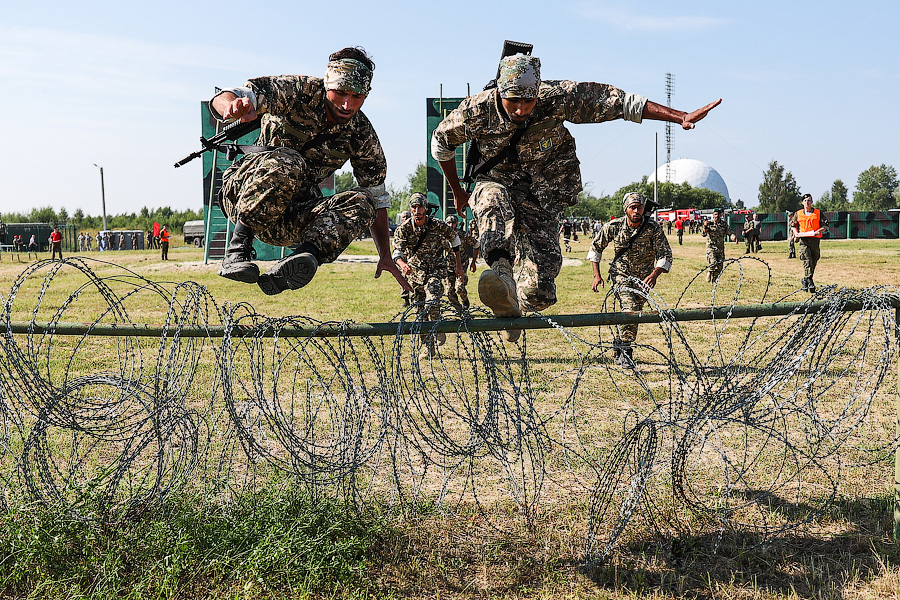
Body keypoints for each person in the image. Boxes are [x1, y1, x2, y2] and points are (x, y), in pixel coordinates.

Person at [431, 53, 718, 342]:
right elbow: (441, 144)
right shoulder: (477, 110)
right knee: (493, 201)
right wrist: (458, 190)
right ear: (500, 92)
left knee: (541, 291)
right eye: (512, 100)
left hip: (541, 191)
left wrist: (680, 116)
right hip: (496, 180)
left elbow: (617, 102)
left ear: (537, 93)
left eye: (527, 101)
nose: (520, 110)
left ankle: (514, 304)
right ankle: (502, 273)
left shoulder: (556, 97)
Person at [211, 46, 408, 297]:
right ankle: (236, 250)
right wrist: (232, 105)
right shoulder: (299, 91)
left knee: (363, 201)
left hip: (290, 217)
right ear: (328, 85)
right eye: (340, 93)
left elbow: (378, 199)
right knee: (291, 161)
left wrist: (386, 256)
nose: (347, 104)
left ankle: (300, 260)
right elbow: (231, 94)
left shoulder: (361, 134)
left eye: (356, 96)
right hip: (245, 196)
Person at [587, 192, 672, 367]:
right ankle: (626, 351)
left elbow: (665, 254)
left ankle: (619, 344)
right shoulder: (614, 226)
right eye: (632, 207)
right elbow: (596, 248)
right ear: (626, 209)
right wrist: (597, 275)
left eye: (639, 207)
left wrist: (654, 274)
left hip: (644, 279)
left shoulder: (652, 228)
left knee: (634, 315)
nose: (636, 211)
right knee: (630, 308)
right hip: (621, 276)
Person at [392, 193, 464, 358]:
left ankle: (437, 325)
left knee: (432, 302)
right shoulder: (404, 229)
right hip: (415, 274)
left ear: (425, 207)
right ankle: (428, 347)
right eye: (414, 207)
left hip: (435, 270)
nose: (417, 210)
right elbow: (397, 251)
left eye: (420, 207)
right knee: (420, 314)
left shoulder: (437, 225)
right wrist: (403, 265)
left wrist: (459, 266)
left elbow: (455, 240)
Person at [790, 193, 827, 292]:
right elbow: (793, 225)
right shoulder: (798, 214)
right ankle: (810, 280)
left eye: (809, 200)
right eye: (805, 201)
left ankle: (806, 279)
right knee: (807, 259)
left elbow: (825, 225)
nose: (807, 202)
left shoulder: (818, 213)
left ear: (812, 202)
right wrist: (796, 233)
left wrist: (819, 231)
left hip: (815, 239)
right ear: (802, 203)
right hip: (804, 240)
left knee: (814, 260)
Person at [444, 213, 480, 310]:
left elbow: (476, 245)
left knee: (459, 288)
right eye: (449, 223)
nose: (451, 225)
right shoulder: (443, 236)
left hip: (462, 264)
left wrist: (473, 262)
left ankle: (465, 301)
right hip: (449, 265)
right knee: (449, 291)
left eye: (453, 223)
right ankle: (458, 309)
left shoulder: (463, 235)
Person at [701, 208, 728, 283]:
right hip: (711, 247)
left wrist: (733, 237)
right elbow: (703, 234)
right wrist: (705, 227)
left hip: (720, 248)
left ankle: (714, 280)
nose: (717, 216)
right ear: (713, 215)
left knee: (720, 267)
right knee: (713, 262)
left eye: (719, 214)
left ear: (721, 215)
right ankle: (709, 272)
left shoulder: (724, 224)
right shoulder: (709, 223)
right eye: (716, 214)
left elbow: (730, 232)